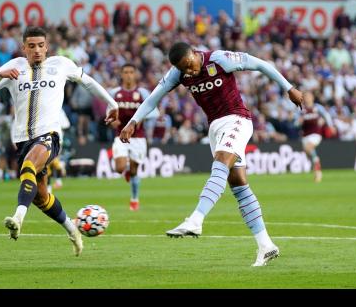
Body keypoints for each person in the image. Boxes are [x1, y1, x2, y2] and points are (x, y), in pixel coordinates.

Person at [120, 42, 304, 266]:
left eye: (189, 65)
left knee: (221, 164)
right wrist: (133, 122)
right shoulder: (177, 73)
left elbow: (261, 64)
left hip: (237, 119)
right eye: (184, 69)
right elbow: (152, 99)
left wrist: (289, 88)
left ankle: (196, 219)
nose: (189, 71)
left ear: (194, 54)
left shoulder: (220, 59)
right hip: (215, 127)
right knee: (238, 185)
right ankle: (266, 245)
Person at [0, 26, 119, 256]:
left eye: (41, 46)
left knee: (29, 166)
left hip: (49, 135)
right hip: (22, 140)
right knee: (41, 196)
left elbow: (89, 82)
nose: (37, 50)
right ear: (24, 48)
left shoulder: (60, 64)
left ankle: (18, 217)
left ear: (47, 47)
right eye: (31, 46)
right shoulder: (14, 67)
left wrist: (112, 104)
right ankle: (72, 229)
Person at [109, 63, 159, 211]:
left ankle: (134, 199)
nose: (129, 75)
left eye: (131, 72)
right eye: (126, 72)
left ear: (135, 74)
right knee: (119, 168)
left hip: (138, 137)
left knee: (134, 170)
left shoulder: (143, 93)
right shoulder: (114, 93)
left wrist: (138, 121)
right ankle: (125, 173)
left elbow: (152, 111)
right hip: (120, 136)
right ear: (121, 74)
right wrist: (113, 121)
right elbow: (109, 113)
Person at [299, 91, 336, 183]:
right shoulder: (301, 109)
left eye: (308, 96)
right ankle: (317, 170)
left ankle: (317, 166)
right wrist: (298, 121)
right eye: (305, 96)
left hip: (316, 134)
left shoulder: (317, 107)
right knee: (309, 152)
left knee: (309, 147)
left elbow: (326, 115)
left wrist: (330, 126)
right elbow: (295, 123)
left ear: (312, 98)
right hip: (305, 135)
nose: (307, 98)